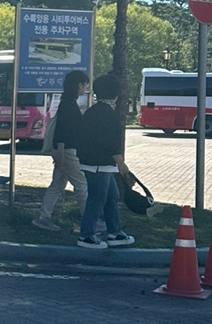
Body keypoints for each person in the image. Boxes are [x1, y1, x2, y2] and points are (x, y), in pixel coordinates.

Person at [75, 72, 135, 249]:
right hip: (100, 164)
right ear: (115, 93)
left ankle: (114, 232)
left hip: (92, 162)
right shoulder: (109, 114)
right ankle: (86, 235)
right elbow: (111, 143)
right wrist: (121, 163)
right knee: (97, 199)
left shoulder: (92, 111)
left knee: (111, 197)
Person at [33, 70, 89, 232]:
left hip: (63, 150)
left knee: (57, 184)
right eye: (85, 85)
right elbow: (63, 132)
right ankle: (89, 219)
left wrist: (58, 153)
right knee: (81, 185)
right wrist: (61, 154)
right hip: (68, 151)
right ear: (79, 85)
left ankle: (44, 217)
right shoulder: (69, 105)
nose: (85, 88)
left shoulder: (66, 102)